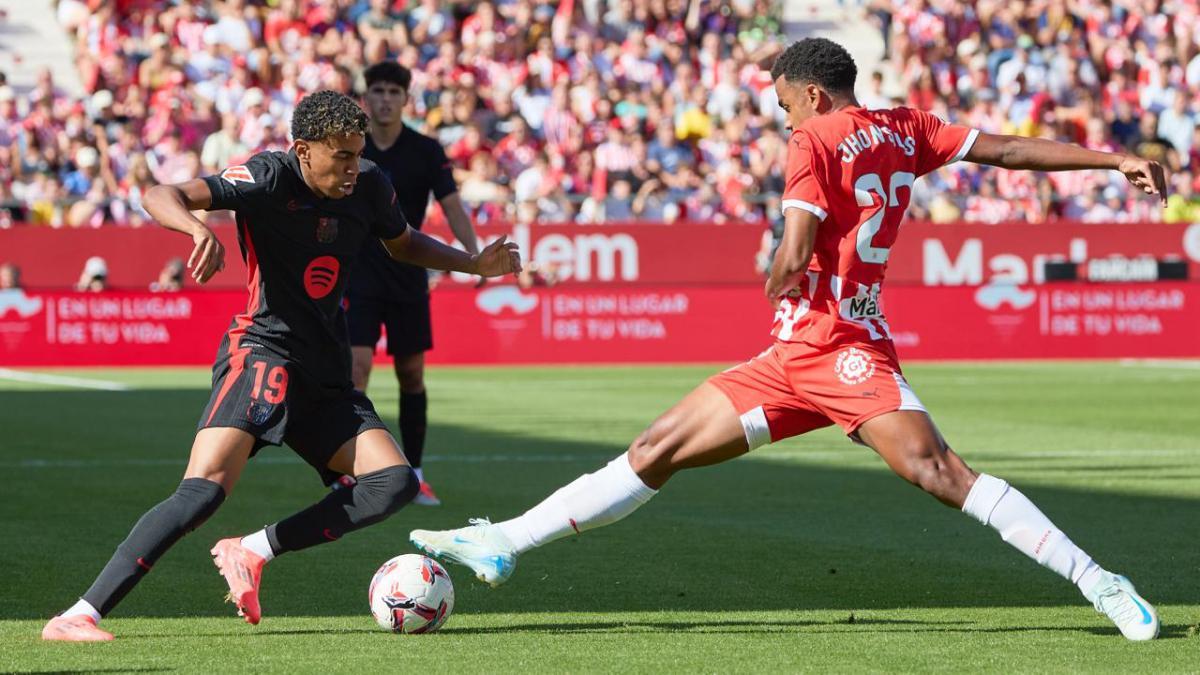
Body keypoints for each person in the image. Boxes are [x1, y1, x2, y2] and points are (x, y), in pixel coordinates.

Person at [409, 39, 1168, 642]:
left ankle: (1098, 580)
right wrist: (1113, 159)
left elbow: (797, 243)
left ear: (810, 93)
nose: (781, 119)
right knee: (656, 448)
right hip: (793, 355)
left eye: (781, 104)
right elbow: (1006, 150)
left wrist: (776, 272)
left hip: (841, 347)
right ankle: (501, 539)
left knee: (940, 470)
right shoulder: (907, 125)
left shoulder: (812, 139)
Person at [41, 90, 521, 642]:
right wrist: (198, 229)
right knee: (202, 493)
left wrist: (471, 264)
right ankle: (79, 615)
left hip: (324, 370)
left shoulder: (370, 183)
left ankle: (253, 548)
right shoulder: (267, 177)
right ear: (303, 150)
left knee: (393, 482)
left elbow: (402, 241)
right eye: (340, 156)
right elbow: (160, 192)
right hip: (262, 353)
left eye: (357, 153)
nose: (352, 168)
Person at [346, 61, 483, 506]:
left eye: (393, 91)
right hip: (359, 271)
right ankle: (351, 469)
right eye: (378, 91)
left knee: (411, 374)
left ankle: (416, 472)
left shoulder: (425, 149)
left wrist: (474, 257)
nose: (385, 98)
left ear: (406, 99)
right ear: (366, 98)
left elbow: (453, 205)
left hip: (408, 273)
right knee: (356, 370)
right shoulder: (354, 146)